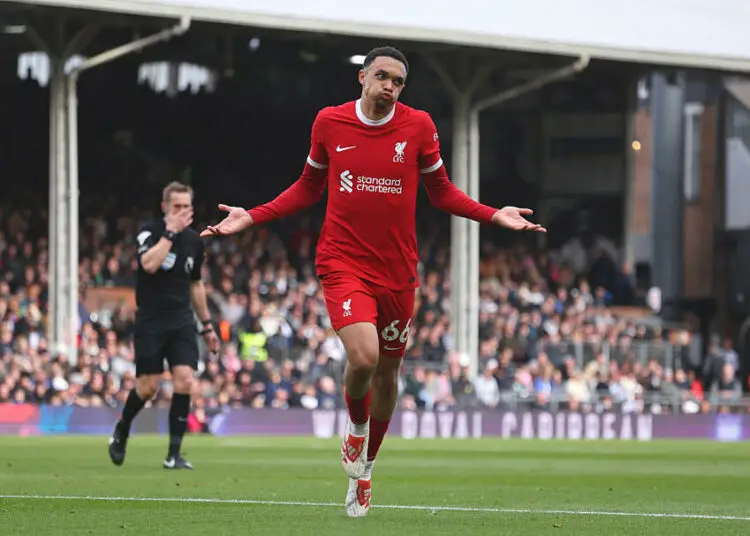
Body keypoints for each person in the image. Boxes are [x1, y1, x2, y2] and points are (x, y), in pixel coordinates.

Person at [200, 46, 545, 515]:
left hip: (398, 271)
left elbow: (441, 192)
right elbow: (308, 186)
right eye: (381, 76)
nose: (389, 86)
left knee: (388, 374)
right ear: (362, 77)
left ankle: (364, 470)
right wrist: (255, 216)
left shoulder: (419, 127)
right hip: (342, 261)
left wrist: (491, 214)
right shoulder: (330, 123)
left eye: (398, 81)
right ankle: (356, 429)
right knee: (364, 356)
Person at [108, 181, 220, 470]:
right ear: (165, 208)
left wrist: (207, 326)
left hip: (182, 319)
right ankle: (122, 429)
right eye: (176, 207)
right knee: (147, 388)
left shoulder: (195, 242)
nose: (181, 212)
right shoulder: (150, 231)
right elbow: (149, 264)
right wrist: (170, 233)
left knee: (185, 380)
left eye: (186, 207)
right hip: (151, 319)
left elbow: (196, 284)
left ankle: (174, 454)